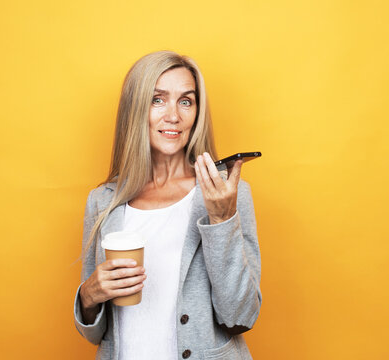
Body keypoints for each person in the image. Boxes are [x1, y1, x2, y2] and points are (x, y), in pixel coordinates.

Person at [73, 50, 261, 360]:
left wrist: (222, 220)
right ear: (135, 109)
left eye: (186, 101)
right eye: (157, 100)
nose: (173, 115)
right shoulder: (104, 201)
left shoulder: (226, 192)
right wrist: (88, 295)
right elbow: (93, 332)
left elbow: (240, 316)